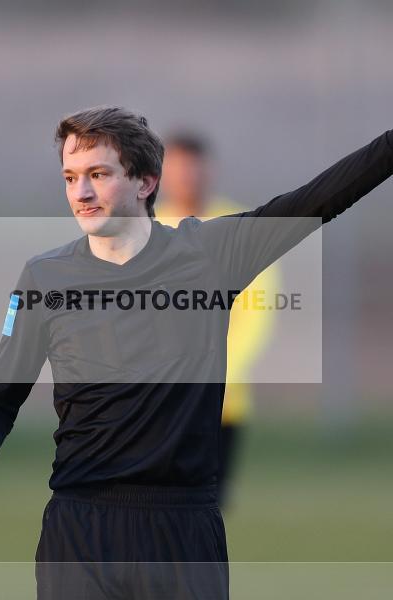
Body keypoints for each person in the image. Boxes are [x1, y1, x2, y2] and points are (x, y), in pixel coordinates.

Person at [0, 47, 393, 599]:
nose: (81, 192)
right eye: (70, 177)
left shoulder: (207, 255)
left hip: (182, 529)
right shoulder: (46, 276)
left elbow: (319, 199)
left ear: (144, 182)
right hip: (80, 529)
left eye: (97, 174)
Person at [157, 132, 281, 506]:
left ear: (209, 170)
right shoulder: (145, 227)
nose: (186, 177)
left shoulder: (239, 226)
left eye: (192, 167)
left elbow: (259, 309)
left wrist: (219, 367)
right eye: (176, 168)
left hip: (222, 401)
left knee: (206, 508)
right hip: (156, 402)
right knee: (153, 507)